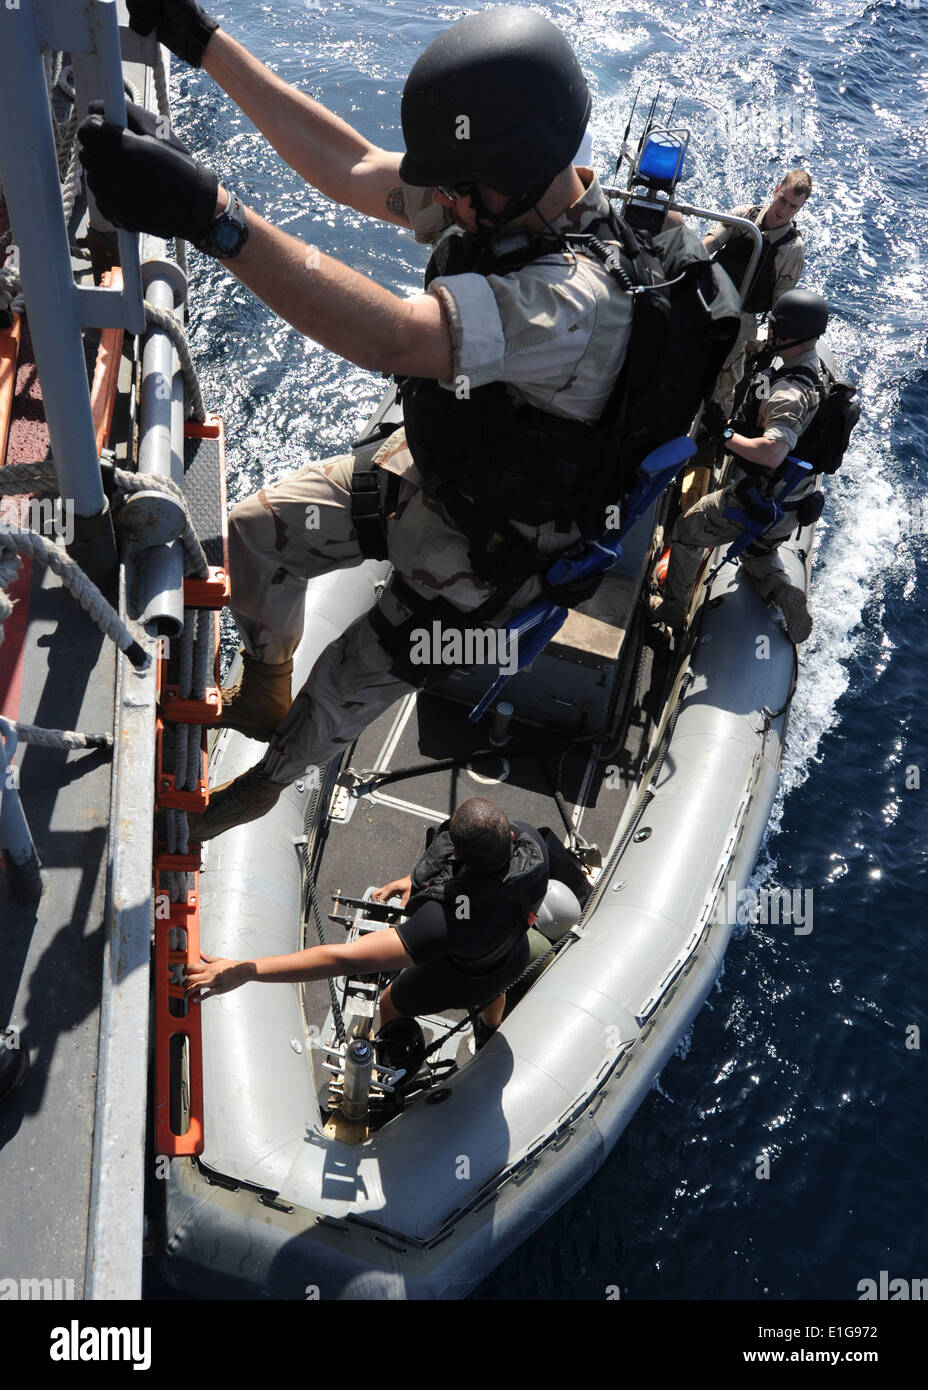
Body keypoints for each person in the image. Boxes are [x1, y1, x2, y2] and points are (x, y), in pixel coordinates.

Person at [78, 4, 735, 841]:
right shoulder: (502, 200)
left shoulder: (570, 302)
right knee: (252, 532)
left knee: (338, 695)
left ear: (518, 171)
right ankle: (263, 681)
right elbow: (350, 165)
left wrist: (217, 220)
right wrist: (203, 42)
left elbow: (392, 335)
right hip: (438, 475)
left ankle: (259, 790)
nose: (443, 201)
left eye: (460, 188)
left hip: (489, 558)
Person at [186, 798, 555, 1049]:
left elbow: (345, 959)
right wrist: (419, 882)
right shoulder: (532, 846)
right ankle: (489, 1031)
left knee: (390, 1001)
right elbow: (486, 882)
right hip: (511, 957)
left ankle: (392, 1054)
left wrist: (246, 970)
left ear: (457, 854)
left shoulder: (439, 923)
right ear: (508, 835)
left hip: (461, 977)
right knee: (495, 990)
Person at [650, 289, 829, 645]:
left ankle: (670, 614)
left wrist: (724, 432)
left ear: (789, 333)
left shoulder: (789, 392)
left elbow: (772, 451)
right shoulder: (817, 373)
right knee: (756, 552)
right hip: (795, 504)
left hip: (760, 499)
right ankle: (780, 589)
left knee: (688, 530)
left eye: (776, 328)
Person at [705, 170, 811, 413]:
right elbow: (713, 240)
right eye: (782, 200)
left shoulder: (792, 250)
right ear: (776, 190)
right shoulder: (744, 216)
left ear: (800, 208)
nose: (784, 210)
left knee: (727, 379)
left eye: (793, 206)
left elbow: (780, 300)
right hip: (711, 299)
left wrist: (775, 341)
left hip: (742, 318)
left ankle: (713, 432)